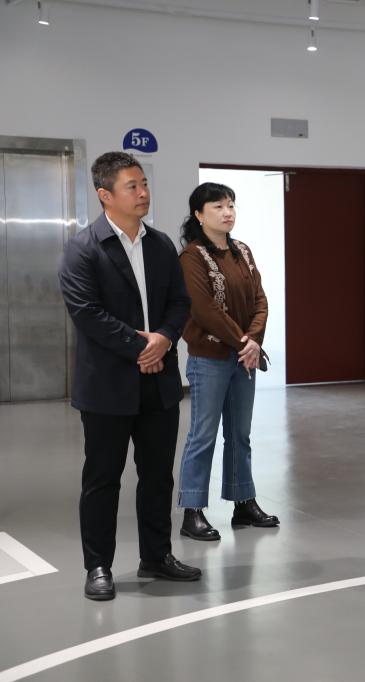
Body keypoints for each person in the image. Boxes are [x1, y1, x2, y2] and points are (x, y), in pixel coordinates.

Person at [59, 151, 200, 601]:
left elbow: (180, 302)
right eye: (132, 186)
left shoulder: (160, 244)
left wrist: (165, 338)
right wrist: (143, 347)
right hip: (107, 385)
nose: (143, 193)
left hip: (159, 383)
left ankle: (156, 556)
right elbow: (87, 313)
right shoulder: (84, 248)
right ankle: (98, 565)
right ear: (105, 195)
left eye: (144, 184)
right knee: (103, 479)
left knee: (158, 476)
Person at [176, 182, 278, 541]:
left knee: (240, 434)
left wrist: (253, 341)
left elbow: (260, 300)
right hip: (210, 358)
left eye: (231, 205)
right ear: (199, 215)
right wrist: (244, 342)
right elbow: (204, 310)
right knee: (202, 435)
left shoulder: (243, 251)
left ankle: (243, 502)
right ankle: (192, 511)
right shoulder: (192, 256)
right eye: (218, 206)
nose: (227, 212)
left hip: (243, 358)